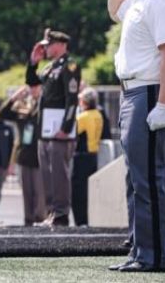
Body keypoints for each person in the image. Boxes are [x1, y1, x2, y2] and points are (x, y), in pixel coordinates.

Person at [105, 0, 165, 272]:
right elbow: (115, 10)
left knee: (150, 178)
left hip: (148, 91)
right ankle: (140, 250)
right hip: (133, 92)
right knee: (139, 179)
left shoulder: (158, 1)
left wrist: (163, 104)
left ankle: (153, 256)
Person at [26, 29, 80, 227]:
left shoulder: (70, 66)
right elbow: (32, 83)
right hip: (46, 130)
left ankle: (61, 214)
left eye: (49, 45)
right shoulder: (49, 68)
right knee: (47, 174)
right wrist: (33, 63)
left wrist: (66, 127)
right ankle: (52, 213)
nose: (46, 48)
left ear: (61, 44)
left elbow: (72, 99)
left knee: (59, 174)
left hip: (59, 131)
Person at [0, 85, 46, 226]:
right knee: (27, 191)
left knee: (40, 192)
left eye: (36, 87)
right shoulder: (22, 105)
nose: (33, 90)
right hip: (24, 155)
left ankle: (40, 218)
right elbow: (3, 114)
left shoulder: (45, 104)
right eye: (31, 87)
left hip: (40, 155)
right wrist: (14, 98)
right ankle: (28, 220)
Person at [71, 87, 104, 227]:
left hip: (82, 156)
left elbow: (72, 132)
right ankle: (87, 220)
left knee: (78, 192)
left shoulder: (83, 117)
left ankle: (80, 221)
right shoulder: (98, 114)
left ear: (84, 101)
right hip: (93, 155)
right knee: (89, 191)